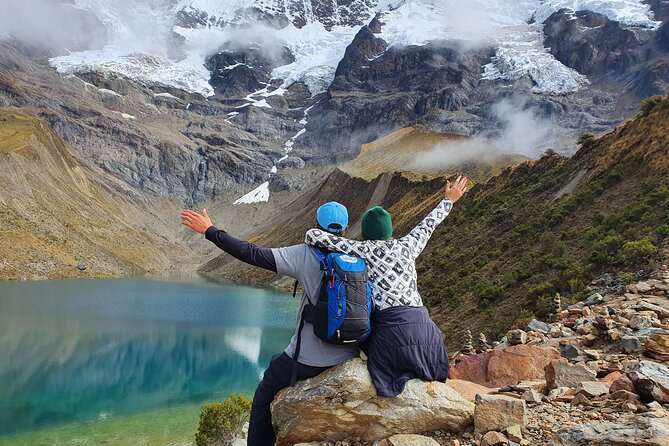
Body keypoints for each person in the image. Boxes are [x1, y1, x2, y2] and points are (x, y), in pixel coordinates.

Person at [180, 203, 360, 446]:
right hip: (348, 355)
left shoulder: (304, 254)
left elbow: (252, 253)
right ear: (346, 228)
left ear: (316, 224)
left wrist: (211, 231)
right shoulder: (361, 254)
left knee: (265, 392)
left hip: (308, 360)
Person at [304, 176, 468, 397]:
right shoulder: (408, 245)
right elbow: (429, 224)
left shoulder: (361, 250)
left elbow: (315, 236)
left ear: (364, 233)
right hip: (428, 336)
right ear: (390, 230)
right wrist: (448, 200)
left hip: (391, 336)